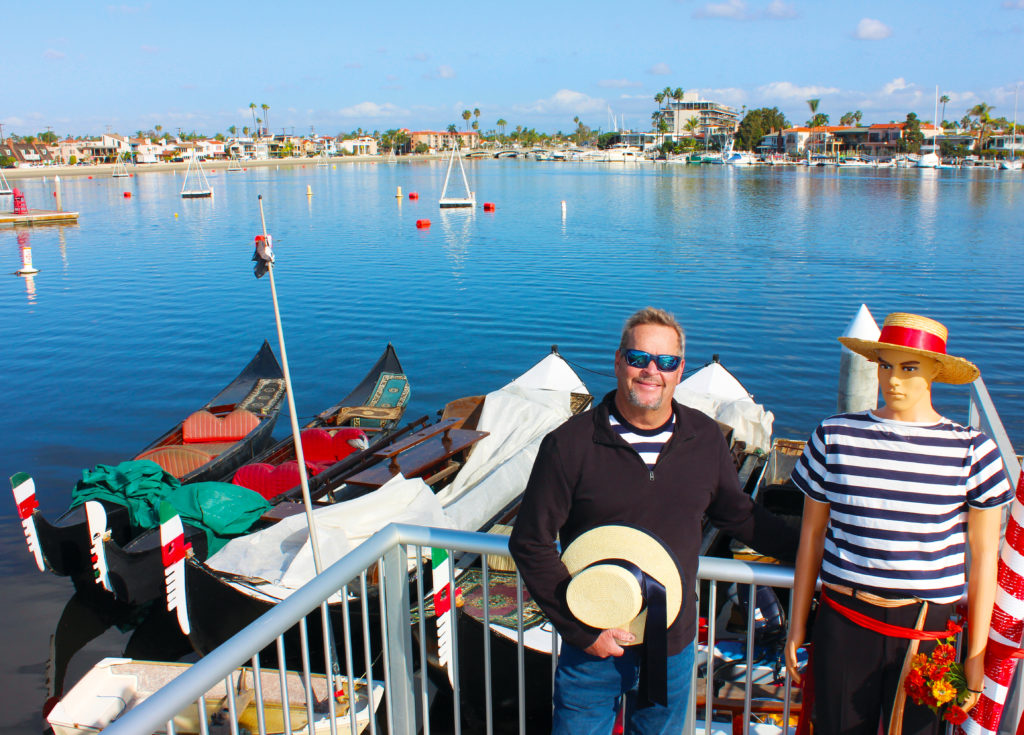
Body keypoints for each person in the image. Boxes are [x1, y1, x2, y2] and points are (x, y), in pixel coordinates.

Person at [509, 306, 797, 735]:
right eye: (638, 358)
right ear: (618, 362)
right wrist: (580, 629)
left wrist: (819, 551)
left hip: (673, 645)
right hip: (593, 643)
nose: (651, 372)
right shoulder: (569, 445)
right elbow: (530, 542)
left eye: (665, 362)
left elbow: (740, 515)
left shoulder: (704, 440)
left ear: (680, 370)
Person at [783, 312, 1013, 735]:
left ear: (935, 373)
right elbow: (811, 537)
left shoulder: (973, 452)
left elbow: (983, 560)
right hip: (843, 617)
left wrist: (975, 655)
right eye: (885, 365)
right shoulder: (834, 437)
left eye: (909, 368)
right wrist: (797, 626)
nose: (893, 380)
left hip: (928, 630)